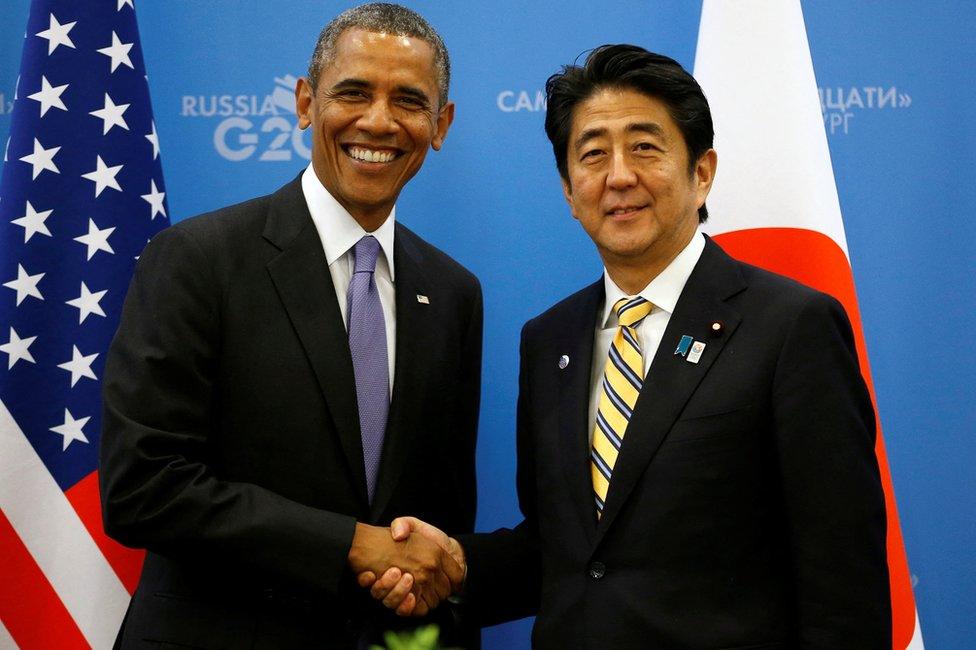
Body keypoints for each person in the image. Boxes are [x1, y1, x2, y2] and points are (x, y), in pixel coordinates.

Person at [363, 44, 891, 648]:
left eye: (644, 146)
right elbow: (566, 550)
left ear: (702, 171)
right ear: (568, 189)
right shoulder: (549, 340)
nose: (619, 176)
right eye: (592, 155)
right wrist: (454, 564)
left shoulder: (791, 326)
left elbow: (842, 580)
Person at [99, 4, 481, 648]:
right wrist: (349, 545)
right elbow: (143, 486)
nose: (379, 121)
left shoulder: (451, 293)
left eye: (409, 101)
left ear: (439, 125)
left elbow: (437, 516)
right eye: (353, 93)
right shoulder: (198, 258)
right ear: (306, 103)